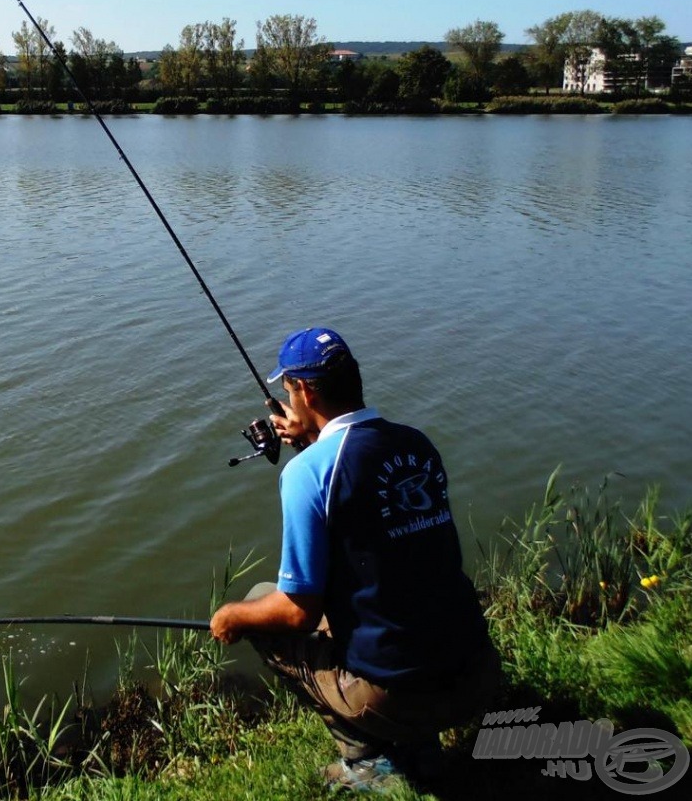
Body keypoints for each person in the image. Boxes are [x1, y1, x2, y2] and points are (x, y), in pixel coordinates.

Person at [210, 327, 498, 792]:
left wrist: (231, 616)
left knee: (261, 602)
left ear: (302, 390)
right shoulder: (416, 444)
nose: (287, 399)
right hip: (478, 674)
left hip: (399, 696)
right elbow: (366, 506)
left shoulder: (306, 474)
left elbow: (297, 614)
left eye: (287, 390)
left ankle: (367, 760)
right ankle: (420, 745)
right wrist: (311, 441)